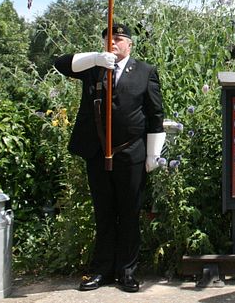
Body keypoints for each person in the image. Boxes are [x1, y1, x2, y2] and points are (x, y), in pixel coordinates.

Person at [54, 23, 165, 293]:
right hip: (97, 152)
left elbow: (155, 114)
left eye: (118, 39)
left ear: (130, 44)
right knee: (103, 214)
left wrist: (153, 153)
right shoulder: (94, 68)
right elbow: (60, 63)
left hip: (131, 153)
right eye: (107, 38)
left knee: (129, 213)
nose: (112, 43)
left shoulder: (145, 72)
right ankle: (101, 270)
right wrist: (94, 58)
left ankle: (126, 271)